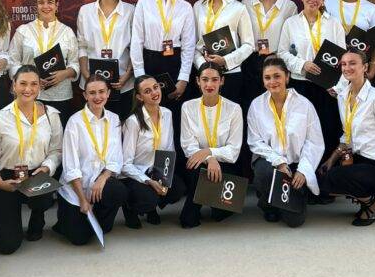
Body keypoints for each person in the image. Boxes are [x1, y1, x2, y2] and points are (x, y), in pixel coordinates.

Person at [318, 50, 375, 226]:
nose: (347, 68)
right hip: (358, 158)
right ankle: (367, 199)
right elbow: (346, 135)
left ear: (365, 67)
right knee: (322, 176)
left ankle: (372, 204)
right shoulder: (342, 96)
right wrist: (330, 159)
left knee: (335, 177)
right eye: (343, 64)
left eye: (352, 63)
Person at [0, 65, 63, 253]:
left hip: (37, 173)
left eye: (33, 84)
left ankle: (38, 215)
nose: (28, 89)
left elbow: (56, 150)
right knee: (7, 246)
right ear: (13, 86)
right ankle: (8, 218)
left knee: (43, 197)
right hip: (7, 177)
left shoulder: (51, 115)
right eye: (23, 84)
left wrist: (47, 168)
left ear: (40, 87)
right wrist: (0, 182)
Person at [247, 56, 324, 227]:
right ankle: (269, 205)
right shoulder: (256, 105)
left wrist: (303, 171)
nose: (272, 82)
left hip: (296, 167)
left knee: (295, 221)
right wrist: (279, 163)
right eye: (267, 78)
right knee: (264, 172)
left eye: (277, 76)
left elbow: (314, 142)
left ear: (287, 77)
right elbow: (255, 142)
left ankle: (288, 197)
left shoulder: (304, 105)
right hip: (271, 164)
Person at [55, 75, 128, 246]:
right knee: (79, 239)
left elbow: (116, 158)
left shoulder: (114, 119)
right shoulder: (75, 122)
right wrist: (82, 200)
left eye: (102, 92)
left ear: (108, 93)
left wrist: (103, 178)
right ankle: (66, 220)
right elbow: (70, 166)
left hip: (98, 184)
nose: (97, 97)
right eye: (92, 93)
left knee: (119, 191)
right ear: (85, 95)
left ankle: (96, 219)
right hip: (76, 189)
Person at [278, 0, 345, 160]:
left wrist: (337, 87)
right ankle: (302, 175)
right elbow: (282, 53)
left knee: (326, 128)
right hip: (301, 84)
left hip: (326, 87)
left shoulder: (333, 24)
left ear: (323, 0)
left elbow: (342, 58)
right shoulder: (291, 23)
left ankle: (326, 174)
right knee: (301, 129)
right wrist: (302, 64)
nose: (313, 0)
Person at [130, 0, 195, 138]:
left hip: (174, 64)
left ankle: (174, 164)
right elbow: (137, 41)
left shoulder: (185, 7)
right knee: (149, 119)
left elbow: (189, 46)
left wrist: (183, 79)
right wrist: (140, 77)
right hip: (149, 64)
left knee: (173, 119)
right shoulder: (144, 3)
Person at [179, 62, 243, 228]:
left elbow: (234, 150)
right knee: (187, 220)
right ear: (197, 81)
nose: (209, 84)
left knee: (219, 215)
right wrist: (209, 158)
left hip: (226, 165)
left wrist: (209, 152)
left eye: (214, 80)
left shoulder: (234, 109)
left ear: (222, 81)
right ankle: (193, 210)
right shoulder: (188, 107)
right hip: (199, 163)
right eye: (205, 79)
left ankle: (217, 205)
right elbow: (188, 145)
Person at [121, 75, 185, 228]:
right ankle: (131, 208)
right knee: (148, 197)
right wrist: (149, 181)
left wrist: (165, 178)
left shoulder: (167, 114)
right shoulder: (133, 121)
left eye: (156, 87)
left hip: (157, 169)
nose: (154, 92)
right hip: (135, 174)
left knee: (178, 188)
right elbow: (125, 164)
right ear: (139, 97)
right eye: (147, 91)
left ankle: (151, 208)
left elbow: (169, 149)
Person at [10, 0, 79, 124]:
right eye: (41, 2)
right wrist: (32, 79)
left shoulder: (67, 32)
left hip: (61, 96)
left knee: (57, 139)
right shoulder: (23, 31)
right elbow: (13, 62)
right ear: (36, 6)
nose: (46, 6)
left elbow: (74, 63)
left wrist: (64, 74)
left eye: (50, 2)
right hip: (29, 94)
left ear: (57, 6)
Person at [77, 0, 135, 121]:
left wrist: (127, 76)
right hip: (92, 83)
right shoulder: (85, 11)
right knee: (93, 127)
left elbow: (135, 47)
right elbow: (81, 45)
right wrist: (86, 75)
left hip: (121, 83)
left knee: (119, 126)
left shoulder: (130, 11)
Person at [192, 0, 254, 103]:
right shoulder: (198, 7)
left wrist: (225, 61)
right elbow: (193, 43)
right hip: (203, 75)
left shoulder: (239, 8)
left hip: (230, 74)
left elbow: (249, 45)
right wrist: (202, 64)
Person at [242, 0, 298, 107]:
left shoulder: (289, 7)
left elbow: (292, 40)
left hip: (277, 61)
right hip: (251, 62)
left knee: (277, 105)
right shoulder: (246, 4)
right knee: (252, 105)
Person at [325, 0, 375, 80]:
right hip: (332, 65)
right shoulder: (327, 4)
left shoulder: (371, 8)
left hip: (359, 69)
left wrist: (373, 68)